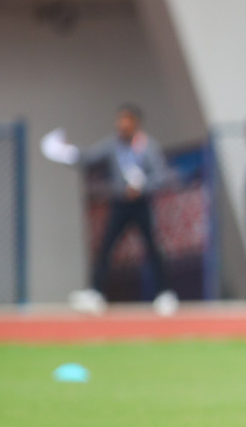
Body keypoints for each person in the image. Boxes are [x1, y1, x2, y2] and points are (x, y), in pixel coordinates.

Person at [40, 104, 177, 314]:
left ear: (135, 122)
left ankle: (163, 294)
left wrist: (143, 186)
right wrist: (67, 152)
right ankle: (95, 293)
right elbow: (89, 157)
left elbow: (162, 175)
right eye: (119, 120)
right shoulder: (112, 145)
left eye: (125, 120)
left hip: (141, 204)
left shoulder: (148, 146)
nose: (120, 124)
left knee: (152, 247)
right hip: (120, 204)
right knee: (106, 247)